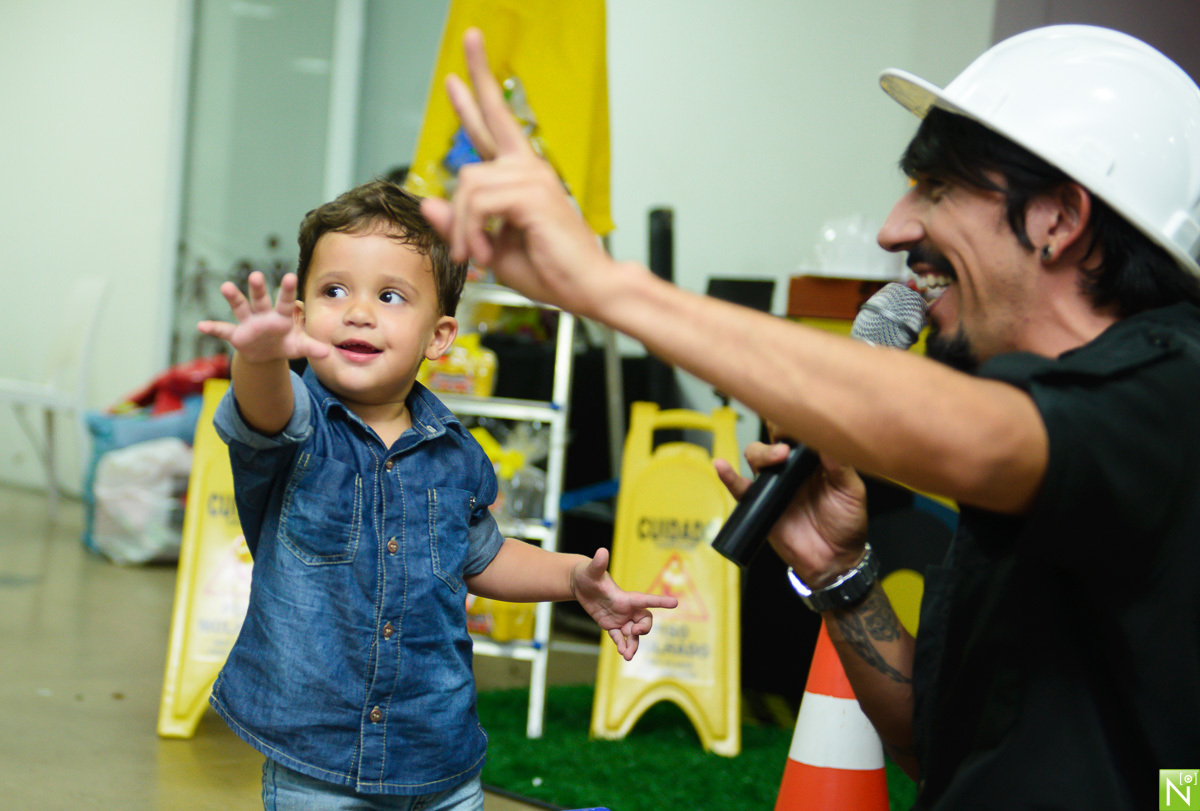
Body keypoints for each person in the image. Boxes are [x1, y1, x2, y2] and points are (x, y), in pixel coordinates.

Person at [420, 25, 1200, 810]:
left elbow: (986, 437)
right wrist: (839, 573)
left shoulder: (1174, 385)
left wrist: (606, 286)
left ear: (1058, 218)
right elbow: (930, 744)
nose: (894, 228)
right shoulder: (1055, 449)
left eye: (936, 189)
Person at [196, 178, 677, 809]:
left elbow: (482, 556)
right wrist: (260, 359)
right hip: (319, 764)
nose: (358, 312)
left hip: (440, 755)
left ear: (439, 336)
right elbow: (262, 410)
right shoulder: (299, 427)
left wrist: (572, 578)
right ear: (300, 317)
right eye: (334, 291)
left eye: (390, 296)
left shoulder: (456, 452)